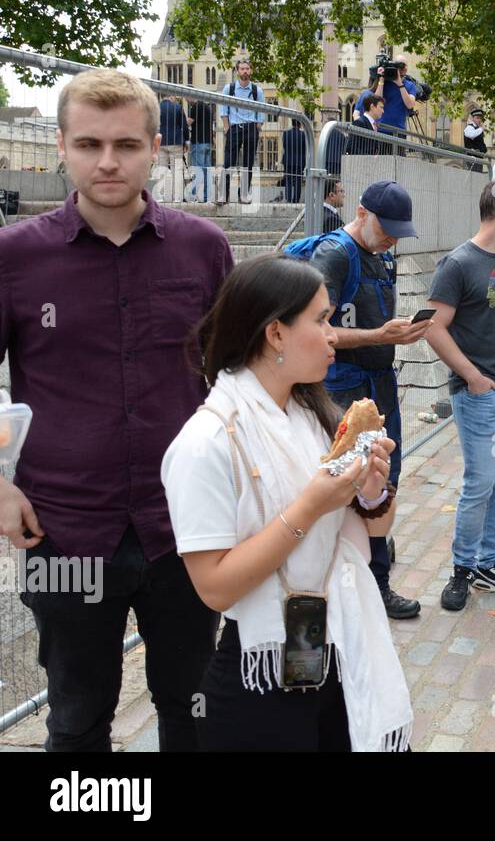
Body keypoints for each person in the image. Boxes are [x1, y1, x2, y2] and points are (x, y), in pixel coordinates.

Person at [0, 68, 233, 751]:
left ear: (154, 148)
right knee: (76, 716)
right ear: (62, 146)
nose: (108, 161)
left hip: (185, 526)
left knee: (190, 708)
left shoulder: (203, 249)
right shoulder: (14, 258)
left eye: (127, 144)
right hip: (62, 529)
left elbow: (237, 377)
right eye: (90, 144)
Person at [160, 255, 411, 751]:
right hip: (259, 675)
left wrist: (373, 491)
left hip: (335, 645)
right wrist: (312, 506)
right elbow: (214, 588)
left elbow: (375, 532)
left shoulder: (315, 414)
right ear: (275, 334)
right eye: (321, 320)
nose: (335, 334)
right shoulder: (206, 441)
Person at [307, 180, 429, 619]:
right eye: (387, 227)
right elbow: (317, 330)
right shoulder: (335, 255)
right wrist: (379, 335)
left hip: (379, 386)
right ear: (361, 213)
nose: (393, 236)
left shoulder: (381, 255)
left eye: (400, 229)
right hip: (344, 389)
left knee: (382, 479)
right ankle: (369, 585)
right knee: (354, 483)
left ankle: (373, 557)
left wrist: (401, 333)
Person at [425, 180, 495, 611]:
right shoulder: (458, 264)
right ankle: (462, 568)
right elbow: (433, 327)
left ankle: (490, 563)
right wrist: (472, 377)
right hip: (480, 399)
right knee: (479, 485)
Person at [220, 59, 266, 205]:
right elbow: (223, 110)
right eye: (242, 69)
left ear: (251, 71)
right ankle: (223, 195)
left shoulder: (257, 91)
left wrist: (257, 126)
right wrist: (227, 129)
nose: (245, 71)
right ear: (237, 71)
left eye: (247, 68)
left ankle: (244, 195)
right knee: (228, 163)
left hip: (251, 128)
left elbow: (262, 111)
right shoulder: (229, 89)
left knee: (247, 164)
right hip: (234, 128)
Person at [156, 94, 189, 203]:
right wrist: (186, 141)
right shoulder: (178, 108)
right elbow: (184, 126)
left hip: (160, 142)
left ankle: (161, 196)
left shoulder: (156, 108)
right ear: (171, 96)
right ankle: (177, 197)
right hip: (176, 141)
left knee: (162, 170)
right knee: (177, 171)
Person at [188, 98, 216, 202]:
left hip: (199, 142)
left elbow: (189, 122)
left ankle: (192, 195)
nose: (187, 100)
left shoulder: (195, 107)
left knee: (198, 170)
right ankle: (207, 197)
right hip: (208, 142)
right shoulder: (208, 107)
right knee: (207, 171)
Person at [282, 119, 309, 204]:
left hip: (288, 161)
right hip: (299, 161)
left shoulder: (286, 134)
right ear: (300, 124)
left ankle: (288, 198)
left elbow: (285, 146)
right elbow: (304, 150)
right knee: (298, 180)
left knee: (288, 179)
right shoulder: (303, 135)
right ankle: (296, 199)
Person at [463, 107, 488, 171]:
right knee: (472, 177)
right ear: (472, 118)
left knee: (477, 177)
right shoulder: (469, 127)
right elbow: (471, 135)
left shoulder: (478, 129)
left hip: (478, 158)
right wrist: (481, 129)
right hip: (472, 159)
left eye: (480, 118)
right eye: (477, 118)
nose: (479, 120)